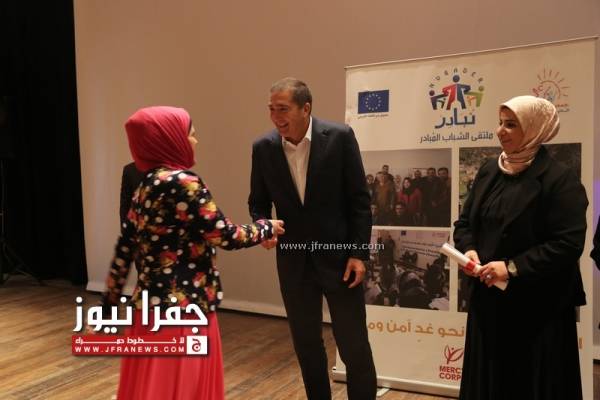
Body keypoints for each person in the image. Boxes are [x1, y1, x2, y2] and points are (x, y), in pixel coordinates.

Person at [102, 106, 285, 400]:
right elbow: (225, 235)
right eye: (191, 134)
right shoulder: (185, 183)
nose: (196, 140)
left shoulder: (145, 185)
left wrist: (109, 305)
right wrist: (266, 227)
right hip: (184, 309)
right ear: (170, 138)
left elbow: (125, 248)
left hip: (147, 311)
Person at [248, 77, 377, 399]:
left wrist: (358, 253)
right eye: (271, 109)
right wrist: (263, 226)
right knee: (307, 346)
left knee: (354, 346)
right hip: (293, 262)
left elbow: (360, 201)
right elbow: (258, 202)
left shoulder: (340, 138)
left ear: (305, 108)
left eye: (283, 109)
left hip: (341, 260)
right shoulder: (263, 148)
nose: (276, 117)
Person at [453, 95, 587, 400]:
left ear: (535, 129)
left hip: (538, 309)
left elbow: (568, 244)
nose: (500, 131)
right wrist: (469, 249)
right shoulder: (490, 170)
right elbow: (464, 223)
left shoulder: (560, 179)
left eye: (511, 124)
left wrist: (512, 267)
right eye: (500, 123)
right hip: (489, 305)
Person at [119, 162, 144, 226]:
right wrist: (124, 229)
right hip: (136, 227)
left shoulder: (166, 169)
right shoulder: (130, 170)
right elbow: (125, 206)